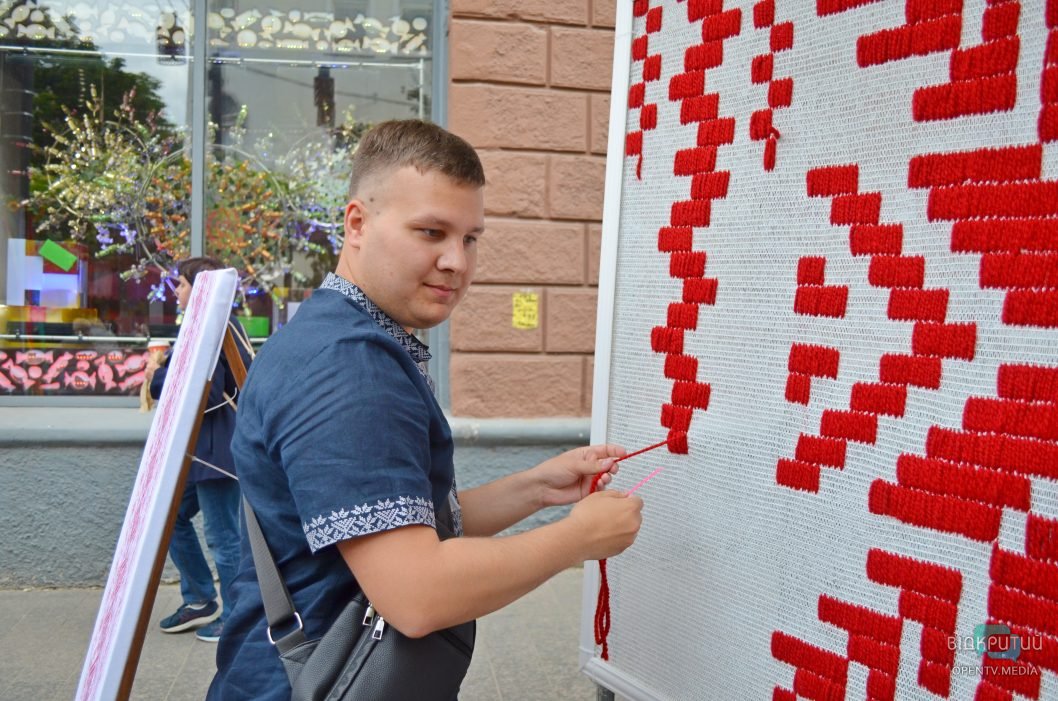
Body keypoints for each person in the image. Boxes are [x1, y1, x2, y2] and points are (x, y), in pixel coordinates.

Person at [208, 120, 643, 699]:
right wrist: (578, 539)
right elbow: (417, 595)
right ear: (357, 223)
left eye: (470, 238)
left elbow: (398, 522)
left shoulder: (330, 334)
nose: (456, 262)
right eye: (431, 232)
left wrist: (536, 488)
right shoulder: (349, 367)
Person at [146, 256, 253, 643]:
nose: (176, 291)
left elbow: (205, 395)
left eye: (182, 284)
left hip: (216, 451)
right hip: (200, 451)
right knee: (169, 519)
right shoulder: (206, 326)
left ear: (202, 288)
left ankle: (237, 617)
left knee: (223, 537)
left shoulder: (215, 328)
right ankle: (200, 600)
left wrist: (157, 376)